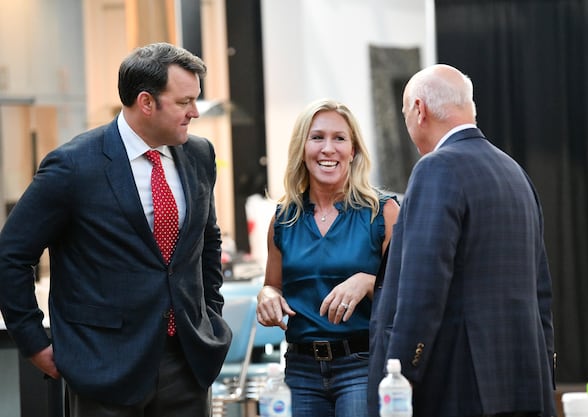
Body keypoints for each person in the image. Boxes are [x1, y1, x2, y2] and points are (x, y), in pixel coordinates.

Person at [0, 42, 232, 417]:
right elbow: (11, 254)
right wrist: (32, 341)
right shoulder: (74, 166)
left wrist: (210, 313)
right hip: (103, 366)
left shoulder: (199, 154)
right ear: (146, 102)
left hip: (187, 362)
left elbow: (208, 240)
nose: (194, 112)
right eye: (184, 101)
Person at [368, 64, 557, 417]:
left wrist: (399, 377)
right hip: (524, 383)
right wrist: (545, 371)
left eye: (407, 111)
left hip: (457, 386)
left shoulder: (436, 168)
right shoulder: (516, 172)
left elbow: (423, 288)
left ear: (420, 110)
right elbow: (540, 290)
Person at [256, 98, 400, 417]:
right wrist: (266, 296)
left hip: (363, 365)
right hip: (300, 369)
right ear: (302, 148)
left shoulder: (383, 212)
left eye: (339, 138)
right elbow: (272, 285)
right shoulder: (283, 218)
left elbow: (411, 292)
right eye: (317, 137)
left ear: (353, 150)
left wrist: (369, 281)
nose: (328, 149)